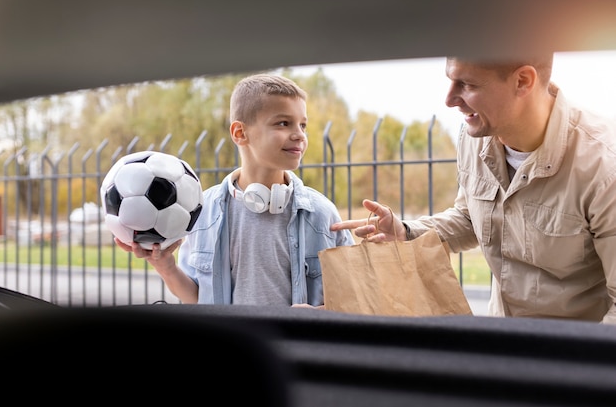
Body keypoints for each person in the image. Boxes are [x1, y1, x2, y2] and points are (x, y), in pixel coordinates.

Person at [331, 54, 616, 324]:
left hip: (576, 355)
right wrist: (406, 232)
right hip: (503, 343)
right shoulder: (474, 138)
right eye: (451, 81)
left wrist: (584, 368)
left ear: (523, 81)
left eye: (467, 84)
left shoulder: (604, 167)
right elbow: (470, 217)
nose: (449, 99)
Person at [116, 73, 354, 306]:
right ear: (240, 133)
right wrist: (166, 267)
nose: (300, 135)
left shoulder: (322, 215)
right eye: (284, 123)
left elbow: (355, 301)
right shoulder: (201, 212)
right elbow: (198, 300)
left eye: (303, 125)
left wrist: (317, 314)